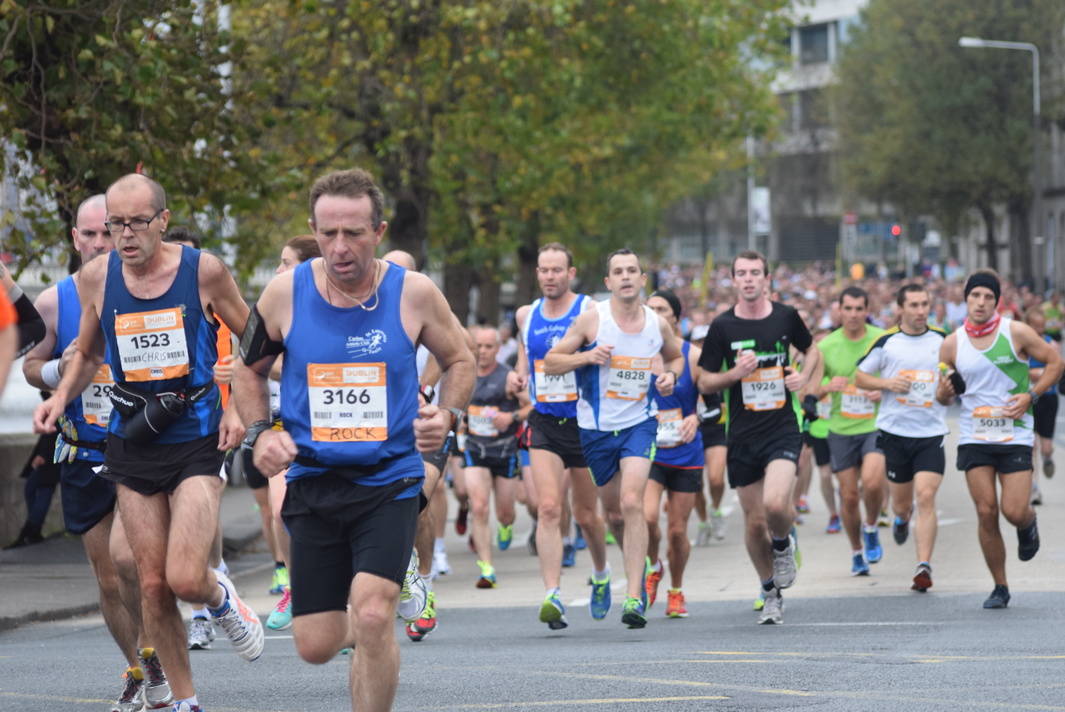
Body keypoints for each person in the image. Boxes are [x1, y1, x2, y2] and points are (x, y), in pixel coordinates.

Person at [233, 168, 475, 711]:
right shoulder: (283, 293)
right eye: (327, 233)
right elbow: (246, 369)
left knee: (370, 613)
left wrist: (449, 414)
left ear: (379, 231)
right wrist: (260, 433)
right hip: (314, 480)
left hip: (388, 479)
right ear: (314, 231)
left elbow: (461, 358)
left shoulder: (413, 293)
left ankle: (382, 619)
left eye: (354, 233)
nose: (340, 247)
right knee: (315, 645)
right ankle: (372, 629)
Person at [32, 174, 259, 712]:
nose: (125, 235)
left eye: (137, 222)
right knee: (151, 584)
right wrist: (60, 396)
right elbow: (86, 354)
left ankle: (221, 599)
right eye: (116, 223)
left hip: (196, 436)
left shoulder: (203, 271)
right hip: (132, 439)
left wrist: (237, 405)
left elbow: (255, 338)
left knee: (184, 576)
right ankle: (185, 701)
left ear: (161, 219)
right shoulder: (95, 278)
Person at [23, 193, 177, 711]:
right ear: (75, 239)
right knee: (109, 577)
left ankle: (163, 658)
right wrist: (56, 371)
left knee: (136, 563)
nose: (99, 243)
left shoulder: (153, 289)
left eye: (106, 233)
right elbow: (31, 366)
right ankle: (141, 668)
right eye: (88, 234)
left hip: (143, 446)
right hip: (84, 448)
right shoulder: (55, 300)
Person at [544, 247, 685, 629]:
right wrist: (586, 358)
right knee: (613, 516)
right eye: (618, 272)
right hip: (595, 429)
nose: (625, 277)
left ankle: (635, 596)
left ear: (642, 279)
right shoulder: (593, 321)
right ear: (608, 283)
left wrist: (670, 377)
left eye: (632, 271)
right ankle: (613, 573)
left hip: (640, 423)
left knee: (631, 501)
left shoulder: (657, 324)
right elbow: (552, 362)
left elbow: (676, 358)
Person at [697, 250, 821, 625]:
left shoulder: (785, 317)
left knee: (776, 506)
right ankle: (769, 590)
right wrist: (733, 374)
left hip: (782, 426)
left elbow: (813, 350)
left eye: (755, 273)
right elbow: (704, 380)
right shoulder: (722, 327)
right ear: (733, 281)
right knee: (753, 524)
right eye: (741, 274)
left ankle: (782, 544)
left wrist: (803, 378)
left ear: (767, 279)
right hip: (742, 432)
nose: (748, 279)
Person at [936, 269, 1062, 610]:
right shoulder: (952, 342)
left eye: (988, 297)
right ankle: (1000, 585)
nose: (980, 302)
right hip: (975, 435)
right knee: (986, 511)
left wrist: (1031, 396)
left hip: (1015, 434)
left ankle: (1028, 524)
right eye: (975, 296)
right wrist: (944, 392)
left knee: (1014, 510)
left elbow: (1056, 362)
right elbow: (944, 395)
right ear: (966, 299)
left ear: (996, 301)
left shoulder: (1015, 331)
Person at [506, 242, 609, 631]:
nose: (550, 276)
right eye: (543, 270)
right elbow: (526, 358)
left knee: (586, 516)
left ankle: (600, 572)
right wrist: (518, 377)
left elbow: (600, 357)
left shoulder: (587, 311)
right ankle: (553, 595)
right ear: (537, 274)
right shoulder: (525, 314)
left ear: (571, 273)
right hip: (545, 420)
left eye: (557, 270)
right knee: (548, 508)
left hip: (583, 422)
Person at [854, 284, 948, 592]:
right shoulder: (887, 342)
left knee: (926, 496)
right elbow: (860, 376)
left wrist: (947, 391)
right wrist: (888, 384)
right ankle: (900, 519)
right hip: (895, 434)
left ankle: (923, 565)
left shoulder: (943, 340)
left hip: (930, 433)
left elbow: (957, 377)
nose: (921, 311)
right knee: (902, 504)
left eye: (925, 305)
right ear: (901, 309)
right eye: (914, 305)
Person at [812, 286, 886, 576]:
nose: (853, 314)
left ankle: (870, 526)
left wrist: (884, 391)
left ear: (867, 310)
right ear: (839, 311)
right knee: (849, 495)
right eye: (848, 309)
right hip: (841, 428)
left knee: (871, 482)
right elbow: (811, 390)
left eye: (859, 309)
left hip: (874, 424)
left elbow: (895, 378)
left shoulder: (881, 340)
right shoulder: (826, 346)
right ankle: (856, 551)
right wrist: (827, 387)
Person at [642, 289, 703, 619]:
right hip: (649, 451)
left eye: (662, 309)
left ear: (675, 318)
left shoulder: (691, 355)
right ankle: (654, 566)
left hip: (685, 453)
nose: (654, 314)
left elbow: (715, 404)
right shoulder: (635, 351)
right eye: (649, 308)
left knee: (677, 531)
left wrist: (696, 416)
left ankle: (676, 591)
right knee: (648, 518)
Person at [464, 325, 530, 588]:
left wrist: (510, 417)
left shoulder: (508, 377)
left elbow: (532, 405)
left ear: (498, 349)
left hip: (504, 450)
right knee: (478, 508)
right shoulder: (463, 373)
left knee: (505, 513)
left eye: (488, 346)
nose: (482, 351)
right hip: (474, 449)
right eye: (478, 346)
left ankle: (506, 525)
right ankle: (487, 568)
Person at [1023, 309, 1059, 505]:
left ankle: (1048, 457)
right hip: (1030, 398)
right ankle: (1034, 489)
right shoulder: (1023, 346)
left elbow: (1057, 368)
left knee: (1044, 447)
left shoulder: (1051, 344)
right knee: (1032, 446)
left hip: (1048, 399)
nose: (1039, 330)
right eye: (1035, 327)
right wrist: (1037, 373)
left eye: (1041, 326)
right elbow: (1021, 371)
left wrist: (1041, 373)